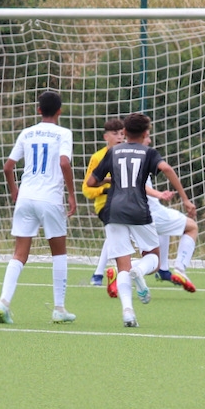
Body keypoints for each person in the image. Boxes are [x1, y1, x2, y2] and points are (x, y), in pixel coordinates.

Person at [86, 113, 195, 327]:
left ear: (124, 132)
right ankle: (139, 270)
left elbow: (91, 182)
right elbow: (167, 169)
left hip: (113, 211)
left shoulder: (112, 152)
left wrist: (110, 179)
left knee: (122, 265)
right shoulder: (148, 153)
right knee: (154, 258)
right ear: (146, 133)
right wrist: (185, 199)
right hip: (138, 210)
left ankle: (128, 312)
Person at [0, 90, 78, 325]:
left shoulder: (27, 133)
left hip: (26, 197)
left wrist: (14, 190)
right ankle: (59, 308)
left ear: (39, 110)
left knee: (19, 254)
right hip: (49, 198)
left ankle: (3, 302)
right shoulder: (63, 133)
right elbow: (64, 162)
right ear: (60, 111)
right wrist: (72, 194)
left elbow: (8, 166)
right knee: (59, 253)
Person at [82, 118, 124, 292]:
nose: (120, 137)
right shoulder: (98, 157)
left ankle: (99, 274)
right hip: (105, 205)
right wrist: (105, 188)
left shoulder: (128, 155)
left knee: (116, 235)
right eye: (115, 134)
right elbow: (86, 189)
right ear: (106, 137)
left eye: (122, 134)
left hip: (126, 203)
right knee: (118, 231)